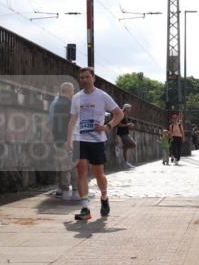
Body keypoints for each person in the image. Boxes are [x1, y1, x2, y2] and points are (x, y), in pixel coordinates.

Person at [64, 67, 123, 221]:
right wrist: (69, 139)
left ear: (93, 78)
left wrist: (108, 126)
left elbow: (119, 114)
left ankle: (104, 197)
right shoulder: (76, 97)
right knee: (81, 171)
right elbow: (72, 120)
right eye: (81, 77)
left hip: (97, 140)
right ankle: (85, 208)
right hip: (79, 139)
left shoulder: (102, 96)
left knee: (98, 174)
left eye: (87, 77)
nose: (84, 80)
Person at [49, 82, 76, 198]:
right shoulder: (69, 104)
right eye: (73, 91)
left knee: (60, 165)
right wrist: (68, 139)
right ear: (69, 91)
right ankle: (66, 188)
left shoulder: (55, 103)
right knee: (69, 165)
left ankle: (61, 188)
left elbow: (52, 123)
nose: (73, 93)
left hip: (57, 138)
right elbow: (67, 123)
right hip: (66, 138)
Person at [116, 104, 136, 168]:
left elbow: (125, 124)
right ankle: (120, 147)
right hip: (122, 133)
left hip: (125, 133)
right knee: (133, 144)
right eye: (129, 108)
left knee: (128, 146)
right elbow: (118, 124)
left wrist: (129, 125)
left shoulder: (125, 115)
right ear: (126, 108)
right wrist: (128, 125)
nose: (130, 110)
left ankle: (126, 162)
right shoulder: (121, 114)